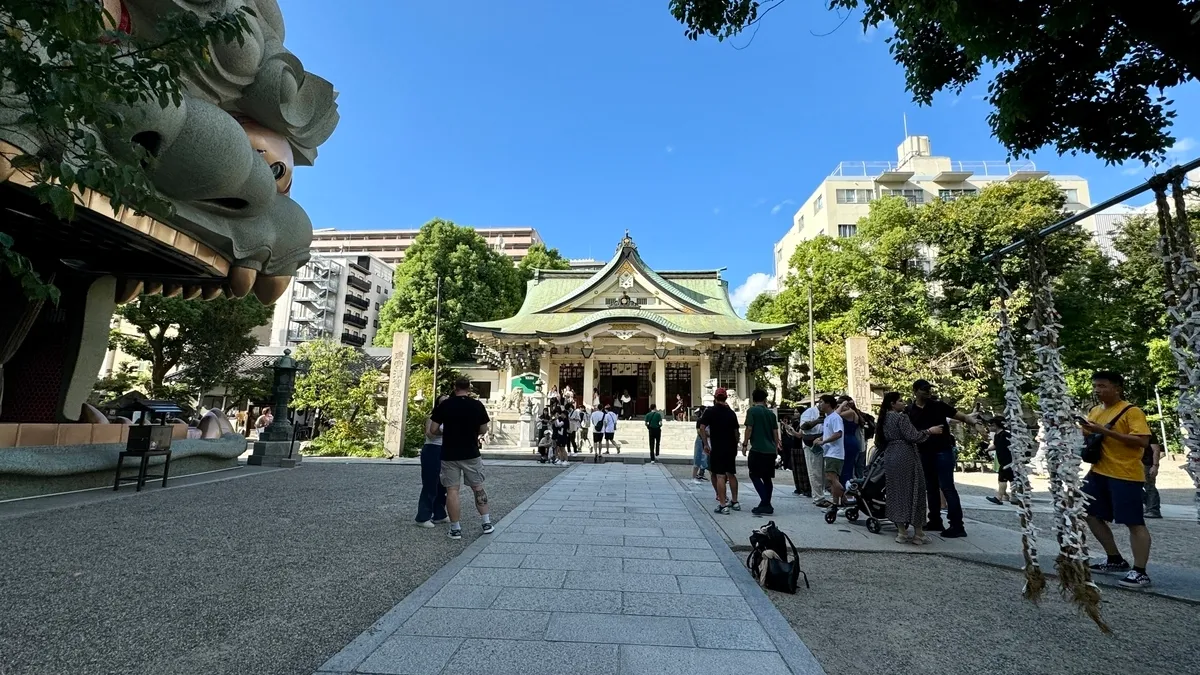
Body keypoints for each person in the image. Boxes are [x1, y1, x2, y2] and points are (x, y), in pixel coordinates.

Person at [1079, 371, 1153, 588]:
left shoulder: (1132, 411)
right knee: (1088, 512)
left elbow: (1142, 442)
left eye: (1102, 386)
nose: (1097, 390)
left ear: (1117, 388)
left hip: (1125, 474)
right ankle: (1114, 558)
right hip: (1098, 470)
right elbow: (1093, 435)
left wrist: (1104, 431)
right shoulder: (1094, 410)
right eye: (1095, 386)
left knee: (1133, 521)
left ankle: (1140, 571)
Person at [905, 379, 980, 538]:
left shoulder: (939, 406)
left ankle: (957, 525)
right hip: (924, 452)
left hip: (942, 451)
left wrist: (974, 423)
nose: (928, 392)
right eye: (924, 389)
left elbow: (962, 416)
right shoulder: (909, 410)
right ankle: (935, 520)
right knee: (931, 487)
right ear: (916, 391)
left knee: (947, 487)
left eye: (929, 389)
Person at [430, 377, 493, 540]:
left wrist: (445, 433)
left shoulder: (445, 405)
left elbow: (433, 429)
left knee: (452, 490)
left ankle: (455, 528)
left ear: (454, 387)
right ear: (469, 388)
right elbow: (483, 428)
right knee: (478, 487)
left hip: (449, 452)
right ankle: (486, 522)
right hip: (471, 452)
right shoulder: (477, 405)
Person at [877, 391, 942, 544]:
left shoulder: (883, 419)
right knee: (915, 490)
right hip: (906, 453)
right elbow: (913, 436)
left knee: (896, 492)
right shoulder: (901, 417)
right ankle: (918, 533)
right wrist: (929, 431)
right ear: (892, 403)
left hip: (891, 454)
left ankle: (901, 532)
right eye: (900, 401)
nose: (903, 403)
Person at [699, 388, 740, 514]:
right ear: (726, 398)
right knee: (731, 474)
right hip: (730, 447)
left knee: (720, 475)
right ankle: (735, 501)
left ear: (715, 398)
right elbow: (736, 432)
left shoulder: (710, 411)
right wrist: (736, 444)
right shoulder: (731, 413)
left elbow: (702, 427)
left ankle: (723, 504)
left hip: (718, 446)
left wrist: (705, 444)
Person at [743, 388, 781, 515]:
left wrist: (744, 443)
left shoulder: (752, 411)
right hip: (770, 449)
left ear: (753, 399)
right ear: (765, 399)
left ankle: (765, 502)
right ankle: (766, 503)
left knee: (754, 474)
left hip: (758, 448)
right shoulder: (771, 414)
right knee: (767, 477)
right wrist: (776, 447)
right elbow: (776, 432)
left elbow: (749, 428)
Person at [414, 395, 451, 527]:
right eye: (442, 402)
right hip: (432, 449)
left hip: (445, 450)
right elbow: (430, 433)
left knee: (443, 484)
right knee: (430, 482)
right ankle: (423, 516)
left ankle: (439, 513)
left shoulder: (451, 417)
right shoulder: (433, 416)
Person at [811, 395, 847, 510]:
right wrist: (821, 439)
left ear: (828, 404)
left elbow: (838, 433)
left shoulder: (835, 418)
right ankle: (835, 504)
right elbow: (829, 433)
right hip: (829, 452)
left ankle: (847, 500)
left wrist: (824, 441)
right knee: (832, 480)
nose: (819, 404)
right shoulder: (828, 418)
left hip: (834, 453)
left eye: (821, 402)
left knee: (832, 478)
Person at [797, 404, 828, 505]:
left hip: (824, 444)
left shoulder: (830, 413)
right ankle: (818, 497)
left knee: (822, 473)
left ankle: (820, 494)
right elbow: (803, 427)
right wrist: (817, 421)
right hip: (812, 444)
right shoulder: (809, 412)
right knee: (815, 471)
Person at [836, 396, 864, 488]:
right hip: (846, 440)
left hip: (848, 441)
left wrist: (842, 406)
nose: (838, 407)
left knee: (847, 468)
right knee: (844, 467)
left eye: (840, 405)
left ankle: (847, 487)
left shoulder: (850, 412)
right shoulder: (850, 412)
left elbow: (834, 416)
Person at [985, 417, 1014, 505]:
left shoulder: (1005, 435)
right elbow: (996, 445)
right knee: (1009, 479)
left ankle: (999, 498)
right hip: (1003, 460)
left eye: (991, 425)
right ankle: (1010, 496)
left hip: (1007, 460)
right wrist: (987, 450)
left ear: (996, 425)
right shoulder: (998, 435)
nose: (989, 427)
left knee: (1002, 479)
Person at [781, 414, 811, 497]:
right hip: (794, 447)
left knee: (802, 470)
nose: (795, 414)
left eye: (797, 411)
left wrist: (790, 429)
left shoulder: (803, 424)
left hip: (800, 447)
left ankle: (805, 488)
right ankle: (799, 488)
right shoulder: (796, 423)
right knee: (796, 469)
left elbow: (798, 435)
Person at [1144, 435, 1163, 519]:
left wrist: (1155, 465)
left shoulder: (1149, 434)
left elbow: (1156, 450)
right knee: (1133, 486)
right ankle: (1150, 506)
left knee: (1149, 487)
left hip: (1147, 464)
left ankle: (1153, 509)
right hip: (1138, 464)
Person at [692, 407, 708, 483]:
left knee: (705, 458)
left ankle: (701, 474)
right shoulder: (700, 420)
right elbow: (699, 431)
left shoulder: (706, 420)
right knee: (698, 457)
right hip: (700, 440)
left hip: (705, 440)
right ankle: (694, 476)